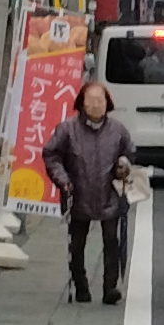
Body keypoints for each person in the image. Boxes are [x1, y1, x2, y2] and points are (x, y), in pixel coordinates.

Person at [43, 75, 136, 307]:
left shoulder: (118, 130)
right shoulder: (67, 129)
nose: (96, 105)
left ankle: (110, 287)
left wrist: (124, 164)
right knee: (77, 243)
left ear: (108, 103)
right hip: (77, 192)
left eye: (101, 101)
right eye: (91, 100)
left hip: (109, 192)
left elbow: (129, 150)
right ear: (82, 103)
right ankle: (81, 285)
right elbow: (51, 155)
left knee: (111, 241)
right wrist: (63, 180)